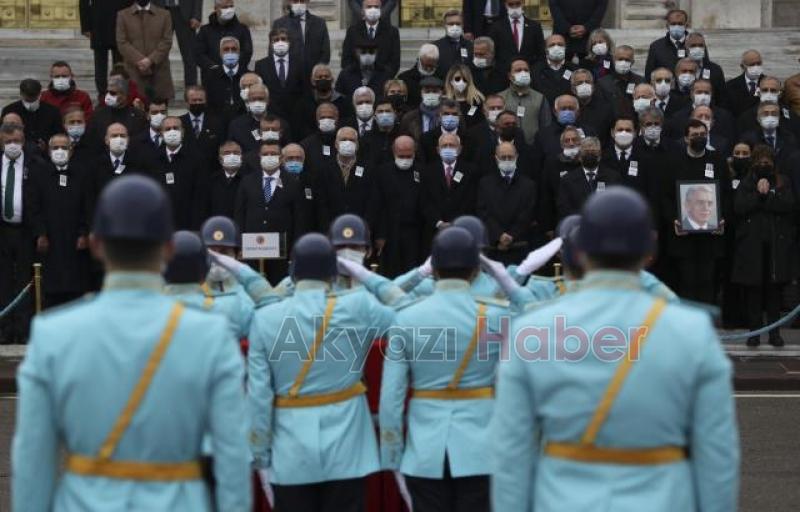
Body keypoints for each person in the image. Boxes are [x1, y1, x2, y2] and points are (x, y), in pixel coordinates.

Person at [12, 175, 252, 511]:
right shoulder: (210, 336)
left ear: (95, 244)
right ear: (169, 247)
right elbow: (232, 455)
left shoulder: (52, 334)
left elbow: (33, 460)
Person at [493, 186, 739, 512]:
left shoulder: (531, 331)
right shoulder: (692, 332)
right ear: (650, 248)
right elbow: (717, 455)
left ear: (578, 252)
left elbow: (511, 453)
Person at [247, 233, 395, 511]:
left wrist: (260, 450)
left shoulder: (265, 319)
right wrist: (367, 276)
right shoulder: (358, 306)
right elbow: (405, 314)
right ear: (335, 272)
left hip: (289, 446)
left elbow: (259, 394)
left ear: (293, 271)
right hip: (347, 445)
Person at [380, 226, 518, 512]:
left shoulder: (405, 319)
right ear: (474, 271)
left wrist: (392, 451)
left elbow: (391, 397)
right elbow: (514, 390)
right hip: (482, 449)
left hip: (424, 451)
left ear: (434, 270)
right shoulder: (497, 317)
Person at [732, 145, 796, 347]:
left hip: (776, 248)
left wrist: (768, 195)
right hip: (752, 248)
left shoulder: (782, 181)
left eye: (767, 162)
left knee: (774, 294)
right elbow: (739, 208)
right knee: (754, 293)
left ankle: (775, 333)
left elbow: (788, 205)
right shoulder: (746, 183)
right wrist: (758, 195)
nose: (763, 165)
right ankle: (754, 333)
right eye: (759, 162)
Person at [666, 119, 730, 303]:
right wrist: (674, 220)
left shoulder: (717, 160)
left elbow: (726, 193)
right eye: (695, 135)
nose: (699, 138)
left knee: (707, 281)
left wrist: (722, 218)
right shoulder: (674, 162)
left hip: (710, 237)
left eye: (703, 135)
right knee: (686, 281)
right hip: (684, 236)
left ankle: (706, 325)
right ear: (686, 138)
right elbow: (665, 196)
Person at [30, 134, 90, 308]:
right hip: (50, 240)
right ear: (48, 151)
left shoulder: (81, 173)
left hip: (75, 240)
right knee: (50, 290)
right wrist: (40, 233)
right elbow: (33, 206)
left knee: (75, 289)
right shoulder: (39, 174)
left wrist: (83, 232)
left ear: (71, 151)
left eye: (64, 147)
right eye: (55, 147)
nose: (60, 151)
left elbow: (88, 205)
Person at [235, 141, 306, 285]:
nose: (269, 157)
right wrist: (239, 244)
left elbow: (299, 218)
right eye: (265, 154)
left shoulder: (292, 183)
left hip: (281, 250)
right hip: (252, 248)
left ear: (281, 158)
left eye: (273, 154)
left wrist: (295, 248)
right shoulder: (247, 181)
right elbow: (239, 213)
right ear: (259, 157)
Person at [0, 123, 43, 344]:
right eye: (8, 142)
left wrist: (40, 232)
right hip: (3, 232)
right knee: (3, 281)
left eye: (16, 141)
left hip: (26, 231)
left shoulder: (35, 164)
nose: (13, 146)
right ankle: (5, 329)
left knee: (25, 281)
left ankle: (23, 329)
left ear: (23, 141)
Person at [369, 135, 424, 277]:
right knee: (390, 272)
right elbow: (377, 205)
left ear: (414, 152)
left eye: (408, 155)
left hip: (415, 233)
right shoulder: (382, 172)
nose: (405, 159)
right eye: (401, 155)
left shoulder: (422, 172)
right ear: (394, 151)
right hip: (390, 232)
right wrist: (380, 235)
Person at [477, 141, 535, 264]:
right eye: (503, 157)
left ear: (517, 157)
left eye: (510, 157)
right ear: (496, 159)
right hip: (493, 247)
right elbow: (483, 213)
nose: (507, 160)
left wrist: (511, 235)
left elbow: (528, 213)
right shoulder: (485, 183)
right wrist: (499, 236)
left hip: (519, 246)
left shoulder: (528, 185)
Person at [420, 132, 478, 241]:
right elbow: (424, 201)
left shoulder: (471, 171)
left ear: (460, 149)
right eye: (444, 146)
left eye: (452, 145)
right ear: (438, 150)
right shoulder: (427, 172)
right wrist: (439, 223)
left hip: (463, 230)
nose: (448, 148)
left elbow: (471, 200)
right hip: (434, 231)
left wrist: (456, 223)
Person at [86, 123, 151, 217]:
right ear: (106, 140)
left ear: (128, 140)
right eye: (114, 136)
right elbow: (90, 198)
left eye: (122, 136)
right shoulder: (95, 165)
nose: (119, 139)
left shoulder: (139, 164)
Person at [115, 0, 175, 102]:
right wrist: (140, 60)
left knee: (160, 112)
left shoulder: (164, 14)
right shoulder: (123, 15)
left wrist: (150, 60)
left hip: (159, 71)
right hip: (134, 71)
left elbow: (167, 40)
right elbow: (122, 42)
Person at [316, 127, 374, 230]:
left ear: (357, 145)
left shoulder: (369, 169)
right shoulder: (323, 169)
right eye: (343, 139)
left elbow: (372, 202)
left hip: (359, 227)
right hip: (332, 228)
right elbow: (321, 203)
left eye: (352, 140)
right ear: (336, 144)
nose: (347, 143)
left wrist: (366, 227)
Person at [155, 116, 205, 230]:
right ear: (161, 133)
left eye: (175, 128)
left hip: (188, 224)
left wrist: (196, 227)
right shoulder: (153, 159)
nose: (172, 132)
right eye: (167, 129)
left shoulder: (197, 159)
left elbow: (200, 197)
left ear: (182, 132)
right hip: (160, 224)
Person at [558, 136, 620, 220]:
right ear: (580, 155)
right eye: (586, 151)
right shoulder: (568, 180)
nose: (589, 154)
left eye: (593, 151)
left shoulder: (613, 178)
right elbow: (564, 208)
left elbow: (617, 205)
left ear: (600, 154)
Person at [194, 0, 254, 86]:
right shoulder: (205, 31)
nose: (229, 10)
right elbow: (199, 54)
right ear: (216, 9)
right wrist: (213, 67)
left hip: (237, 77)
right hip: (212, 79)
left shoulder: (242, 29)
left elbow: (247, 51)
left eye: (231, 6)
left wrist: (234, 67)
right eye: (225, 7)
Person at [79, 0, 130, 97]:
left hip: (120, 21)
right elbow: (84, 2)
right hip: (98, 22)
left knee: (120, 65)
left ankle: (120, 94)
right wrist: (85, 26)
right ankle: (102, 95)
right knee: (100, 66)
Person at [85, 77, 149, 154]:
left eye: (113, 93)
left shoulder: (138, 116)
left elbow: (142, 142)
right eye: (107, 92)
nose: (108, 96)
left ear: (124, 95)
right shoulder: (98, 115)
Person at [538, 126, 583, 234]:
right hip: (561, 220)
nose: (571, 143)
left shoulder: (587, 163)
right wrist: (548, 227)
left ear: (580, 142)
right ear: (562, 145)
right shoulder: (552, 164)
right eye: (567, 141)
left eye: (574, 140)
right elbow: (546, 196)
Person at [255, 28, 305, 124]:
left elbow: (304, 89)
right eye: (276, 40)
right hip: (271, 115)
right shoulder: (261, 65)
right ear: (271, 44)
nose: (280, 42)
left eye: (283, 39)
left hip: (296, 115)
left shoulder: (300, 63)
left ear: (289, 42)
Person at [273, 0, 331, 80]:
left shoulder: (319, 23)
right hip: (289, 77)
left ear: (307, 1)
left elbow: (325, 52)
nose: (299, 4)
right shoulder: (279, 23)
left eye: (302, 1)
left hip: (312, 76)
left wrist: (317, 72)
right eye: (296, 1)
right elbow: (273, 51)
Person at [498, 58, 552, 145]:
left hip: (533, 148)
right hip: (506, 148)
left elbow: (546, 126)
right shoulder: (500, 98)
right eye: (518, 70)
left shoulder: (540, 98)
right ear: (509, 76)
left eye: (526, 70)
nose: (523, 73)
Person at [1, 79, 63, 153]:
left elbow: (59, 134)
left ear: (39, 94)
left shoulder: (52, 111)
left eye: (33, 98)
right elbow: (3, 134)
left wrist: (47, 144)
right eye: (27, 99)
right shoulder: (9, 110)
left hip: (45, 154)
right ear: (21, 94)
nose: (30, 102)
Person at [341, 0, 400, 77]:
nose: (373, 10)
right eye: (369, 7)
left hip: (382, 81)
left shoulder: (392, 32)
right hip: (357, 80)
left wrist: (382, 78)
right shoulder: (352, 32)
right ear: (363, 9)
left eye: (376, 7)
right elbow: (346, 60)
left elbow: (394, 62)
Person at [296, 64, 353, 141]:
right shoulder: (304, 103)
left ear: (332, 80)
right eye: (319, 77)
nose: (323, 79)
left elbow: (346, 124)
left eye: (326, 76)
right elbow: (302, 128)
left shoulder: (343, 102)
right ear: (313, 81)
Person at [153, 0, 201, 87]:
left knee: (189, 55)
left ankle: (191, 89)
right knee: (159, 54)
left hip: (185, 12)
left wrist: (197, 15)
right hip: (160, 10)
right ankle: (161, 91)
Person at [488, 0, 545, 73]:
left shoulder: (535, 26)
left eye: (518, 4)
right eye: (511, 4)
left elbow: (541, 53)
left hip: (530, 73)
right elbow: (493, 54)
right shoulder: (496, 27)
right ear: (505, 5)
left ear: (523, 3)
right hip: (504, 75)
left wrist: (535, 71)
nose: (514, 7)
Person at [204, 37, 247, 128]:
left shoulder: (248, 75)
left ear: (239, 53)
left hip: (243, 124)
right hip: (217, 124)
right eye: (226, 49)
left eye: (234, 49)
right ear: (220, 53)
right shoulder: (210, 76)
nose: (230, 52)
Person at [181, 85, 227, 167]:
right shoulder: (179, 123)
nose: (197, 103)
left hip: (211, 171)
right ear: (186, 102)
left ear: (205, 101)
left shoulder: (217, 123)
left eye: (200, 100)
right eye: (194, 100)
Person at [597, 45, 644, 119]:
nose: (623, 62)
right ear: (613, 60)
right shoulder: (603, 83)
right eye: (620, 59)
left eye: (627, 60)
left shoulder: (640, 82)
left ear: (632, 62)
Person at [202, 140, 245, 220]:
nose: (232, 156)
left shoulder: (249, 180)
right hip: (217, 228)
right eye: (227, 153)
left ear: (241, 157)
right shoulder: (211, 181)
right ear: (220, 158)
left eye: (236, 153)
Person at [532, 34, 578, 107]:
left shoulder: (575, 69)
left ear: (565, 48)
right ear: (546, 49)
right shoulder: (535, 70)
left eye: (560, 44)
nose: (556, 48)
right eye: (552, 45)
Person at [644, 8, 690, 80]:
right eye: (673, 24)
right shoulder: (656, 47)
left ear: (686, 25)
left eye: (680, 24)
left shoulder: (696, 44)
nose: (676, 26)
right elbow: (649, 75)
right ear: (667, 25)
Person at [419, 98, 469, 164]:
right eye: (446, 114)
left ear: (459, 116)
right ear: (440, 115)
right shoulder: (426, 138)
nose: (450, 117)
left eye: (454, 114)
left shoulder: (469, 138)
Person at [570, 69, 613, 144]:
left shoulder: (606, 109)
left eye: (587, 82)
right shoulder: (569, 108)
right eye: (579, 83)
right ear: (573, 89)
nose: (584, 85)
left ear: (593, 87)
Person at [684, 32, 726, 106]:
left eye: (700, 45)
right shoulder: (679, 68)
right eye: (693, 45)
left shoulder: (715, 70)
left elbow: (721, 98)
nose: (697, 48)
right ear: (686, 48)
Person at [399, 76, 445, 143]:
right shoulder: (409, 118)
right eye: (427, 91)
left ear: (442, 93)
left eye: (435, 91)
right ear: (421, 93)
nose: (431, 94)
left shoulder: (450, 114)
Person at [398, 44, 443, 110]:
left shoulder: (442, 78)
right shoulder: (404, 78)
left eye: (432, 66)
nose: (428, 69)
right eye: (425, 65)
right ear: (419, 60)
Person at [726, 50, 764, 119]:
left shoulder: (770, 84)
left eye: (758, 63)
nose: (756, 67)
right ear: (742, 66)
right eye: (752, 64)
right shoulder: (730, 86)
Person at [434, 10, 473, 77]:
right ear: (444, 25)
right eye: (451, 24)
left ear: (463, 25)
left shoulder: (471, 46)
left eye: (458, 24)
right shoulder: (435, 47)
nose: (454, 27)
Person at [130, 98, 169, 165]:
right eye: (155, 112)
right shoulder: (136, 141)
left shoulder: (175, 137)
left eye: (163, 112)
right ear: (147, 115)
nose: (159, 116)